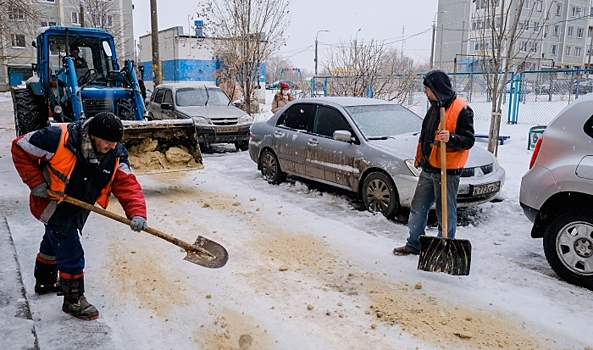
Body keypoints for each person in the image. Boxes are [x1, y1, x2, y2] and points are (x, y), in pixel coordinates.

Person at [11, 112, 148, 320]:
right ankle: (73, 300)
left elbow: (126, 183)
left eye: (115, 142)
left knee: (54, 240)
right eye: (107, 142)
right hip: (53, 202)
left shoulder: (116, 153)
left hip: (78, 205)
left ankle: (45, 281)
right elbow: (20, 146)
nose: (111, 146)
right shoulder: (58, 137)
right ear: (93, 135)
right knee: (70, 250)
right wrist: (36, 182)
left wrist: (137, 212)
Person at [392, 69, 475, 256]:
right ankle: (414, 244)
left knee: (445, 213)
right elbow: (425, 136)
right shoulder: (434, 107)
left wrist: (452, 138)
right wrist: (420, 156)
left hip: (448, 170)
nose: (425, 92)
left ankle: (444, 249)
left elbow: (469, 140)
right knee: (418, 209)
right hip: (429, 168)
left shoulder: (462, 109)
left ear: (436, 88)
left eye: (427, 88)